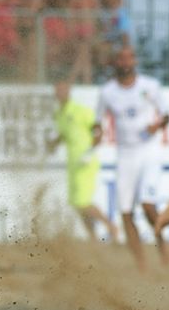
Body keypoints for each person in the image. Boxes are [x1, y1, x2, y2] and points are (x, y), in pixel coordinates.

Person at [96, 46, 169, 270]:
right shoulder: (107, 92)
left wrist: (156, 125)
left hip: (148, 151)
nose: (125, 62)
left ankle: (163, 247)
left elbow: (167, 114)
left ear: (135, 61)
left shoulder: (150, 86)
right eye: (120, 58)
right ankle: (141, 265)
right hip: (125, 155)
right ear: (115, 62)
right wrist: (96, 134)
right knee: (126, 212)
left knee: (148, 205)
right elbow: (97, 121)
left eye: (128, 57)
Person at [48, 80, 118, 243]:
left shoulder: (80, 111)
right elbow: (64, 133)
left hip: (85, 162)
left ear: (69, 91)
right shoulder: (60, 113)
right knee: (76, 204)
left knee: (83, 202)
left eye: (63, 90)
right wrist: (53, 143)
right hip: (73, 164)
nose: (60, 93)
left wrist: (90, 151)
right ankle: (93, 237)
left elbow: (98, 130)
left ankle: (111, 227)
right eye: (58, 90)